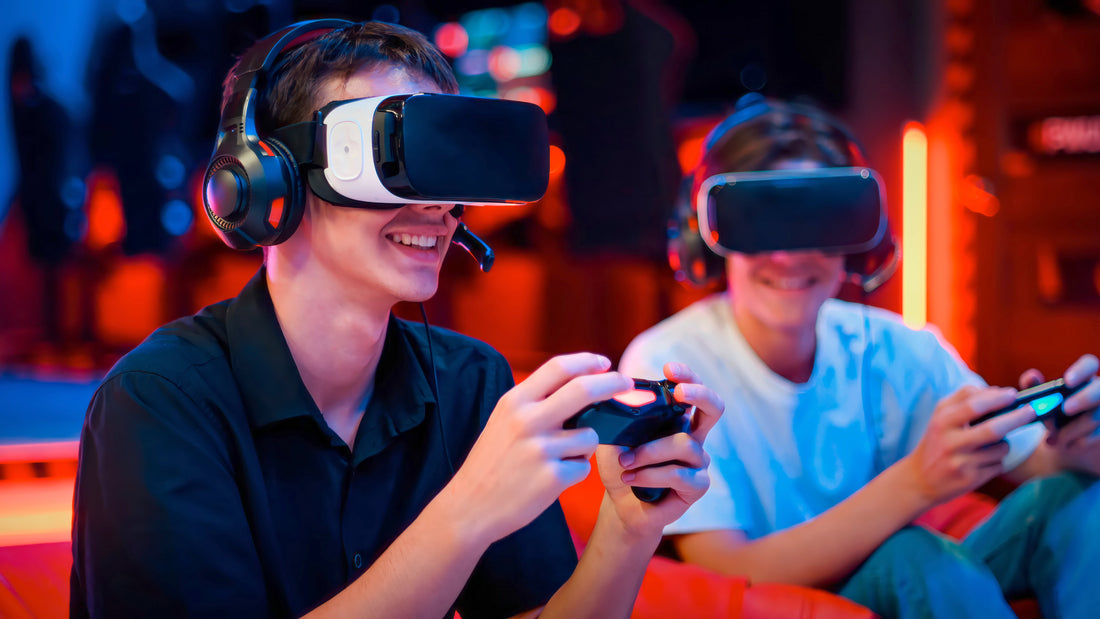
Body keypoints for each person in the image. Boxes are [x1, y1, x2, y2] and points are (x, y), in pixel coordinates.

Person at [70, 20, 724, 618]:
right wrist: (469, 508)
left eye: (443, 162)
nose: (438, 204)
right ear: (267, 183)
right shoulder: (158, 402)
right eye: (389, 161)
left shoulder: (470, 382)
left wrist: (629, 529)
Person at [619, 95, 1100, 619]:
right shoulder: (670, 361)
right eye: (763, 225)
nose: (790, 256)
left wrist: (1081, 442)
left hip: (910, 585)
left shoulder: (897, 347)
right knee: (913, 557)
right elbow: (723, 573)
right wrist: (916, 483)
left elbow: (1039, 460)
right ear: (704, 236)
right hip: (784, 604)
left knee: (1075, 500)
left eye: (819, 225)